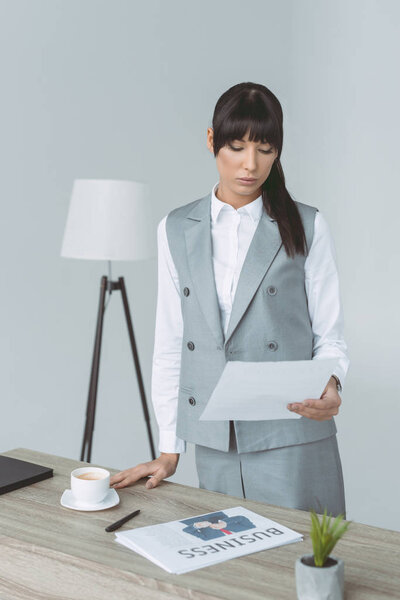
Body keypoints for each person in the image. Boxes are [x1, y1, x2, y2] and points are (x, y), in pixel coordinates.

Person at [110, 82, 349, 517]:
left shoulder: (308, 225)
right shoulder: (176, 228)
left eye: (265, 149)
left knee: (302, 573)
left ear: (278, 151)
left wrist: (333, 385)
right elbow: (172, 344)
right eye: (236, 147)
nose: (250, 165)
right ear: (211, 141)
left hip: (293, 433)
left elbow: (329, 336)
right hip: (216, 441)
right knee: (228, 577)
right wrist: (169, 448)